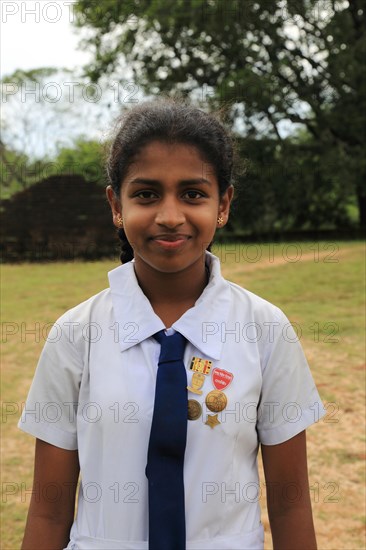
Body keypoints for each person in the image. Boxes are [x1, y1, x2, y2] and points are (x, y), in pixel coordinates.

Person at [19, 99, 325, 550]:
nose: (169, 215)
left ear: (223, 205)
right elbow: (48, 509)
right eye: (145, 194)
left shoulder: (265, 330)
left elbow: (291, 504)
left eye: (193, 194)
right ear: (115, 205)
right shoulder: (75, 334)